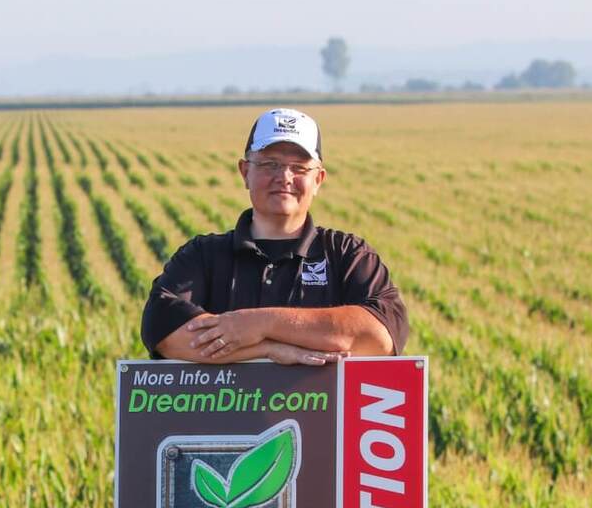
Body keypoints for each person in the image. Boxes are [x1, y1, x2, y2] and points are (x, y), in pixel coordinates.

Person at [140, 107, 408, 365]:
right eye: (270, 164)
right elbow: (164, 331)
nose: (285, 177)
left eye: (300, 168)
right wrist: (269, 349)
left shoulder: (347, 254)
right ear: (245, 172)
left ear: (318, 180)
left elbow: (379, 337)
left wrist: (260, 324)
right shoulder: (202, 255)